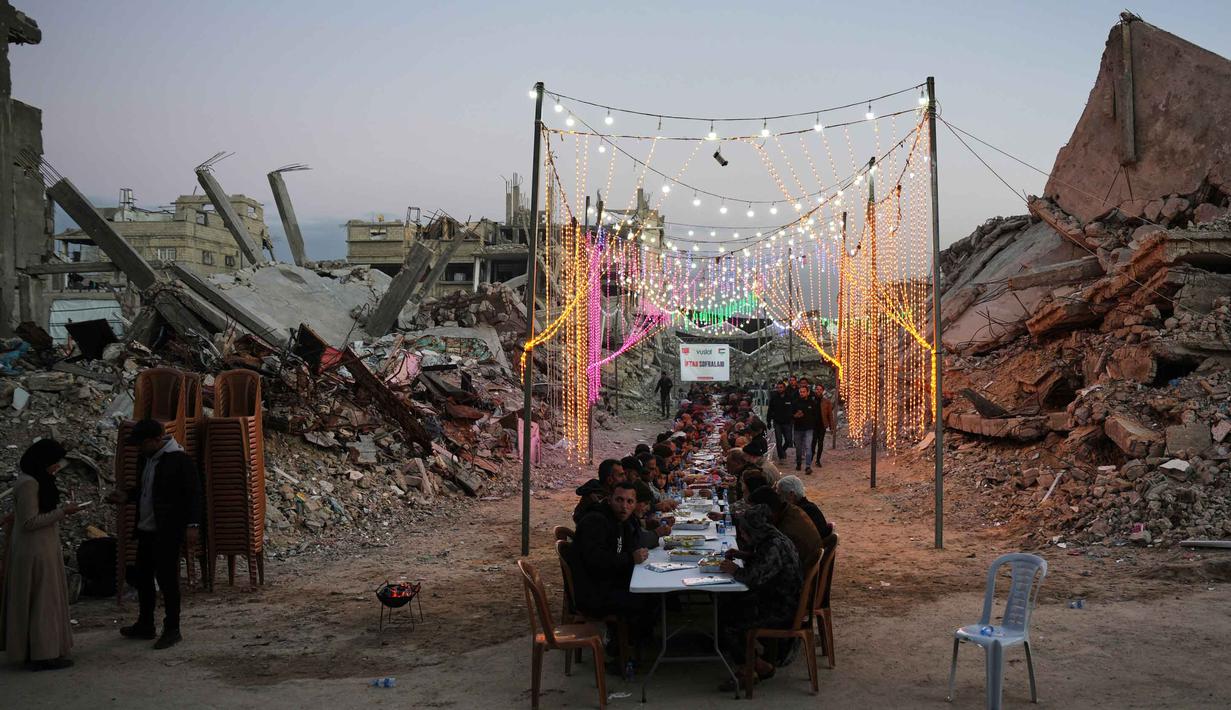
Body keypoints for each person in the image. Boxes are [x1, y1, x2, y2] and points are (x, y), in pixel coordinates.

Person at [107, 420, 201, 650]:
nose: (139, 448)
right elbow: (146, 491)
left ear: (156, 440)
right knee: (143, 577)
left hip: (168, 529)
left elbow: (193, 495)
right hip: (147, 528)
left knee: (168, 580)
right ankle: (146, 623)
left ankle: (172, 628)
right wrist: (127, 497)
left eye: (142, 443)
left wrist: (192, 525)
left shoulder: (180, 461)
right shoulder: (147, 459)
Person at [1, 440, 82, 670]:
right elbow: (30, 522)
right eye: (53, 463)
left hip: (42, 549)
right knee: (42, 603)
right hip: (35, 552)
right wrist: (62, 512)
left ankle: (42, 650)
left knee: (42, 602)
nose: (56, 468)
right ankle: (41, 654)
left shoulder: (34, 481)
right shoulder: (29, 484)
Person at [717, 504, 802, 691]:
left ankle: (747, 670)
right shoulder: (773, 538)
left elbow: (752, 578)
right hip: (777, 598)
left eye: (745, 532)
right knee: (728, 604)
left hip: (781, 607)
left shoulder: (774, 546)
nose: (743, 536)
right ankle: (758, 665)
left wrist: (735, 569)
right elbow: (763, 562)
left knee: (730, 621)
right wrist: (743, 555)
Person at [569, 481, 650, 620]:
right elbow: (595, 561)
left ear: (635, 504)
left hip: (609, 583)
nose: (624, 506)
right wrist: (630, 558)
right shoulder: (596, 521)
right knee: (648, 598)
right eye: (619, 500)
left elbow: (632, 545)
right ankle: (628, 640)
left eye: (630, 502)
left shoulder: (621, 520)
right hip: (594, 592)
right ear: (609, 500)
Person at [748, 487, 821, 574]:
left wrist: (736, 570)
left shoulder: (785, 530)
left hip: (800, 575)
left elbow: (766, 569)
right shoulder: (791, 509)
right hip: (802, 566)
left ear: (766, 511)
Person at [790, 384, 820, 474]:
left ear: (808, 392)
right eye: (801, 392)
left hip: (808, 429)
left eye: (804, 392)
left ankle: (808, 466)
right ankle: (799, 463)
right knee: (798, 448)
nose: (802, 393)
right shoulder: (795, 403)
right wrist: (795, 416)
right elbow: (790, 414)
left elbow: (816, 416)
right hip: (798, 429)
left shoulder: (812, 403)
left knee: (808, 447)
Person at [766, 382, 794, 462]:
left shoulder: (789, 397)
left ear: (784, 388)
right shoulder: (774, 398)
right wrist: (768, 421)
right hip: (777, 422)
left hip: (787, 422)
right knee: (778, 440)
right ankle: (781, 456)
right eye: (778, 387)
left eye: (781, 387)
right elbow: (770, 410)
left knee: (788, 440)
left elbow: (793, 408)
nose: (779, 389)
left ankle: (782, 450)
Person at [811, 384, 835, 468]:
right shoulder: (812, 400)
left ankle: (818, 460)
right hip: (813, 425)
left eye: (820, 389)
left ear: (823, 391)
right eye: (817, 389)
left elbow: (830, 415)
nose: (818, 391)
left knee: (820, 443)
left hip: (822, 425)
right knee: (813, 442)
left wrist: (832, 427)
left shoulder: (826, 402)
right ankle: (811, 457)